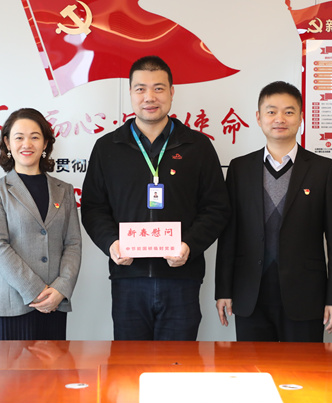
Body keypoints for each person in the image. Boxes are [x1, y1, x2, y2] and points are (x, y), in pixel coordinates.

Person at [81, 55, 230, 341]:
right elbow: (93, 207)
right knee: (129, 363)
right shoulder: (108, 147)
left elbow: (216, 208)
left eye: (158, 88)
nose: (150, 97)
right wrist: (111, 243)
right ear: (130, 93)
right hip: (128, 279)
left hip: (182, 278)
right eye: (141, 89)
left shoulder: (197, 146)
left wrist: (189, 245)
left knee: (178, 363)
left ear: (172, 92)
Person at [215, 81, 332, 342]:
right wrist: (223, 290)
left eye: (289, 112)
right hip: (250, 294)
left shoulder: (323, 170)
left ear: (301, 118)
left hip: (305, 295)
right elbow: (229, 236)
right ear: (258, 118)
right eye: (271, 111)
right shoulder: (240, 169)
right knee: (251, 366)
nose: (280, 119)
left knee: (303, 367)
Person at [0, 108, 82, 340]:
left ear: (45, 143)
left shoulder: (64, 190)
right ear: (7, 143)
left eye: (35, 137)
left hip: (54, 303)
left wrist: (61, 288)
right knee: (8, 366)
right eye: (19, 137)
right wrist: (36, 290)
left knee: (54, 365)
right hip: (11, 304)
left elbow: (73, 244)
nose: (27, 144)